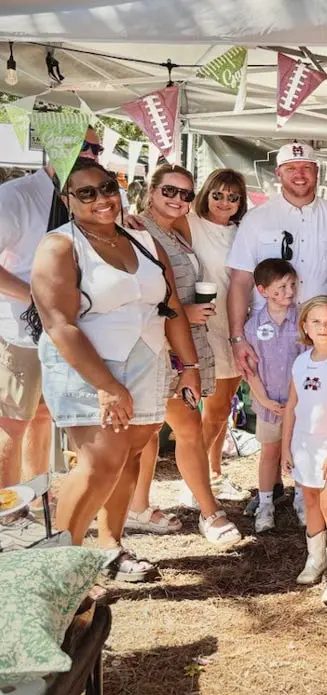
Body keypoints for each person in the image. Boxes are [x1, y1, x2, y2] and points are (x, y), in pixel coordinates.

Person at [30, 160, 209, 580]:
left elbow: (171, 308)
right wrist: (107, 386)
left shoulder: (143, 238)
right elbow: (60, 324)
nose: (101, 199)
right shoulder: (60, 246)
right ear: (67, 200)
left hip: (147, 360)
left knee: (129, 456)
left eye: (106, 187)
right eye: (86, 193)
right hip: (89, 367)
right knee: (99, 461)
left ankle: (110, 545)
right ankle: (60, 568)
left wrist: (189, 367)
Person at [127, 164, 241, 545]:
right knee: (187, 429)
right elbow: (135, 293)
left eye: (185, 194)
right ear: (151, 191)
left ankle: (139, 507)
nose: (178, 199)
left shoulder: (176, 230)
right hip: (155, 346)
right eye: (170, 192)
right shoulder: (135, 230)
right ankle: (210, 512)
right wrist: (182, 313)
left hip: (178, 345)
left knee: (151, 433)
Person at [0, 128, 101, 490]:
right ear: (56, 146)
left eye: (96, 148)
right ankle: (6, 508)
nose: (91, 154)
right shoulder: (17, 196)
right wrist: (34, 295)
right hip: (20, 330)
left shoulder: (83, 197)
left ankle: (32, 495)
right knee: (13, 420)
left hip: (67, 328)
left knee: (44, 415)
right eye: (83, 146)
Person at [227, 142, 327, 378]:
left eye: (306, 167)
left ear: (317, 171)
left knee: (322, 406)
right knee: (272, 408)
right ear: (278, 173)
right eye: (291, 168)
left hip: (324, 332)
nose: (300, 174)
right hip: (271, 333)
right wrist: (237, 338)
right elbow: (241, 281)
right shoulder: (256, 219)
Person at [281, 295, 327, 605]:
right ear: (305, 327)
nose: (323, 327)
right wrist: (286, 447)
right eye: (316, 321)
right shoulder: (301, 362)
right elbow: (292, 406)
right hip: (303, 444)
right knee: (310, 499)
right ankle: (315, 559)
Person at [183, 168, 251, 504]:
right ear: (206, 193)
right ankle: (196, 480)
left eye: (233, 197)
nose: (225, 202)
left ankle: (213, 470)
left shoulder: (243, 231)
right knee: (214, 406)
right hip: (203, 323)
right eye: (218, 194)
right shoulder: (191, 223)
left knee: (225, 405)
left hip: (236, 324)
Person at [241, 259, 304, 532]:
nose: (288, 292)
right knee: (269, 452)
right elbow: (250, 370)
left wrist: (296, 400)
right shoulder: (252, 326)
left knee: (301, 451)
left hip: (299, 403)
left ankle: (302, 498)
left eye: (292, 285)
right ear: (262, 290)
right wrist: (265, 400)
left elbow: (308, 362)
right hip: (269, 404)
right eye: (280, 288)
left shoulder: (303, 320)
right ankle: (266, 502)